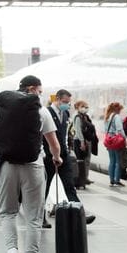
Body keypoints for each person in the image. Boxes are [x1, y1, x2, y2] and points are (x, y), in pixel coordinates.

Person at [0, 75, 63, 253]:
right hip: (34, 166)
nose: (41, 94)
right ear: (32, 89)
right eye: (39, 90)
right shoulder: (41, 110)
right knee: (33, 218)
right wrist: (57, 158)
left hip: (7, 166)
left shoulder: (3, 109)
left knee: (8, 213)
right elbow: (54, 144)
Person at [45, 89, 96, 226]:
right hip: (48, 156)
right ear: (57, 99)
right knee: (45, 186)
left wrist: (67, 150)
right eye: (64, 102)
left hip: (63, 155)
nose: (67, 105)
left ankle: (80, 215)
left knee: (69, 185)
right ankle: (40, 216)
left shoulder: (66, 113)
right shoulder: (47, 113)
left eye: (68, 102)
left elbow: (65, 134)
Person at [72, 100, 97, 186]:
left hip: (86, 140)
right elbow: (78, 130)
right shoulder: (77, 117)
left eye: (86, 107)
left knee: (86, 160)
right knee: (81, 161)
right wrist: (82, 142)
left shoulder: (85, 116)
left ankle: (85, 178)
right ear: (77, 107)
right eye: (83, 107)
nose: (85, 108)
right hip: (80, 141)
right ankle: (80, 180)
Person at [104, 102, 127, 186]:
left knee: (112, 161)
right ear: (117, 109)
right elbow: (120, 130)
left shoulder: (107, 116)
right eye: (120, 109)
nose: (120, 111)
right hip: (116, 141)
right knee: (118, 161)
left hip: (109, 140)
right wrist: (125, 138)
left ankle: (111, 180)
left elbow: (106, 130)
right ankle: (117, 180)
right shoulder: (116, 117)